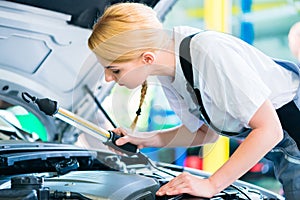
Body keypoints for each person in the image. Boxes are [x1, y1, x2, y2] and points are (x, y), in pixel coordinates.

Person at [88, 2, 300, 199]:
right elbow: (205, 133)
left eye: (114, 69)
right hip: (283, 149)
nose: (107, 78)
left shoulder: (208, 53)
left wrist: (212, 185)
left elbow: (269, 130)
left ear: (147, 59)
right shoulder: (167, 65)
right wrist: (145, 138)